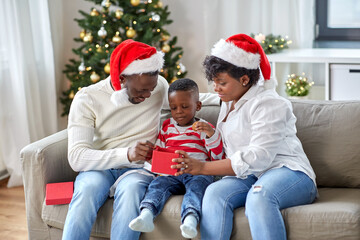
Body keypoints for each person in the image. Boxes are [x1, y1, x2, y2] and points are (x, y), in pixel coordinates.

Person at [172, 34, 317, 240]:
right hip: (247, 176)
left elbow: (260, 157)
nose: (216, 88)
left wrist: (202, 167)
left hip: (288, 171)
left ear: (245, 79)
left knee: (260, 197)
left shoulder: (268, 103)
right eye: (214, 82)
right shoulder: (228, 99)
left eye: (221, 83)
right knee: (214, 193)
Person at [62, 39, 168, 240]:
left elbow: (186, 102)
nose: (147, 95)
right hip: (100, 168)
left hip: (139, 169)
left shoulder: (159, 87)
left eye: (150, 90)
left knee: (131, 191)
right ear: (121, 79)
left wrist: (226, 98)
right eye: (140, 91)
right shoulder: (88, 98)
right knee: (87, 189)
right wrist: (127, 153)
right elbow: (77, 157)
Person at [128, 78, 224, 239]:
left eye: (185, 106)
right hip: (171, 174)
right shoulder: (167, 126)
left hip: (197, 173)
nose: (179, 111)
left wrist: (211, 134)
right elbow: (160, 151)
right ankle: (146, 214)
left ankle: (190, 219)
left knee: (197, 188)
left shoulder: (204, 128)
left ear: (198, 106)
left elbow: (218, 157)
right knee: (157, 185)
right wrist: (153, 157)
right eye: (173, 108)